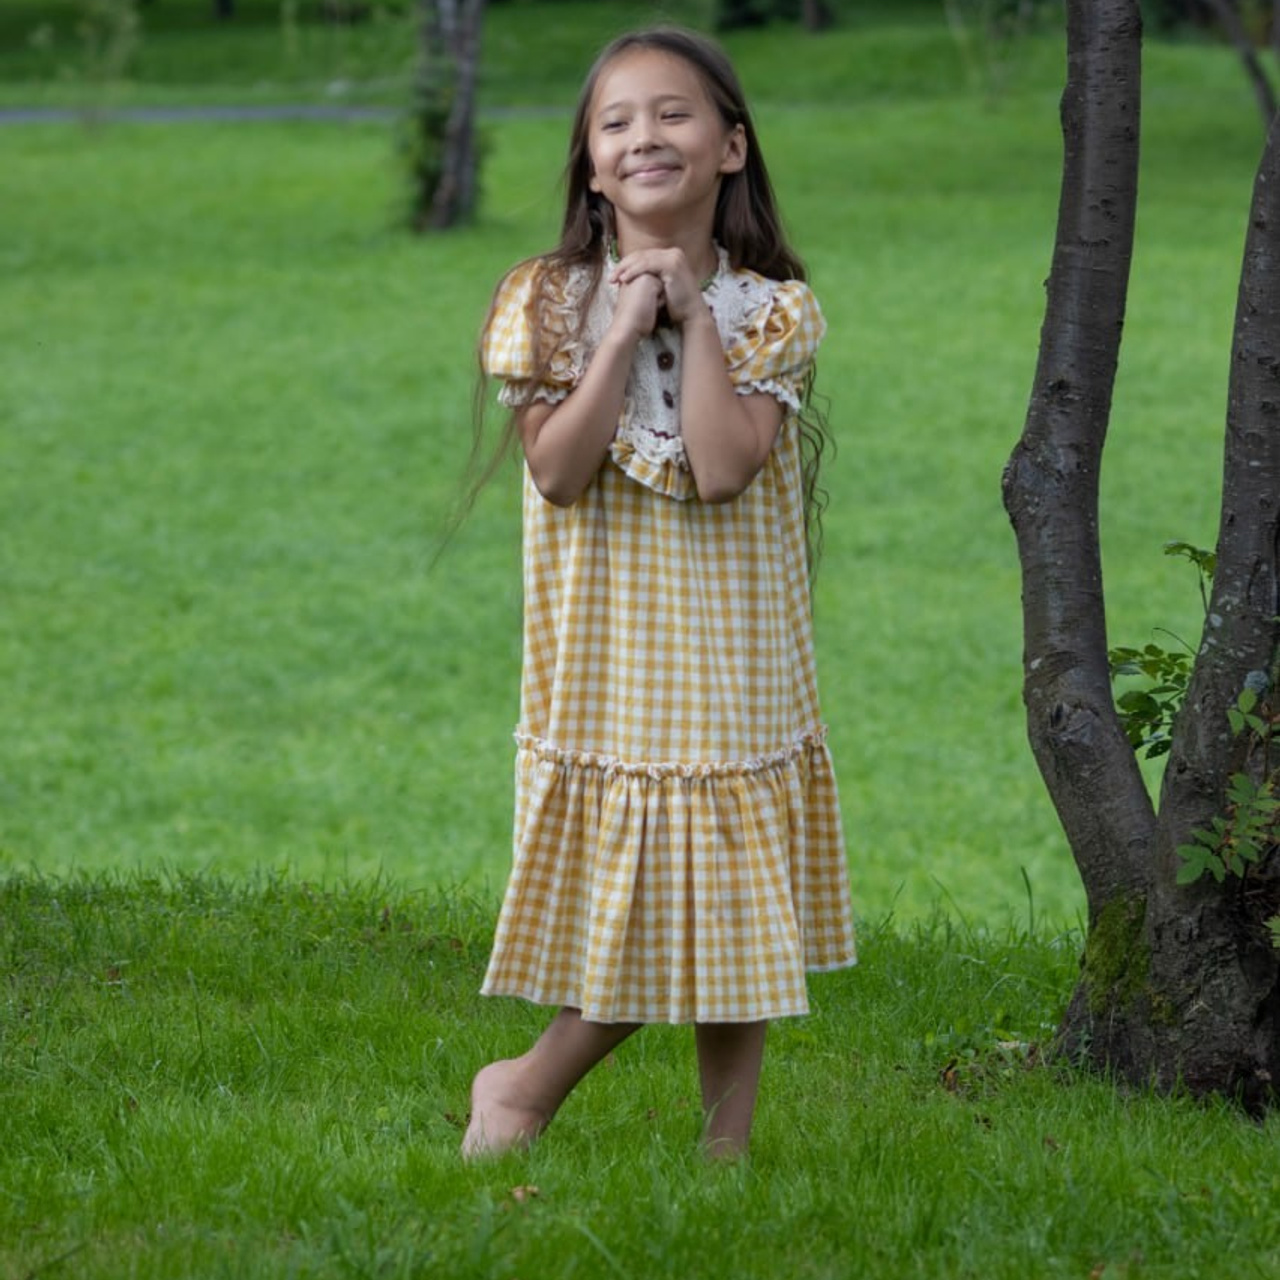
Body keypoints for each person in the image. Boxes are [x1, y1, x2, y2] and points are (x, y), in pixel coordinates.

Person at [462, 24, 855, 1161]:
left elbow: (724, 466)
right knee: (654, 904)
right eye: (617, 121)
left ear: (730, 146)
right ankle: (525, 1083)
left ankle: (724, 1149)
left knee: (730, 892)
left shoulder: (772, 310)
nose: (646, 136)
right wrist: (625, 320)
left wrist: (691, 315)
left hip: (734, 647)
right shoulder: (541, 299)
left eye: (674, 114)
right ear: (590, 165)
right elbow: (557, 467)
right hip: (607, 653)